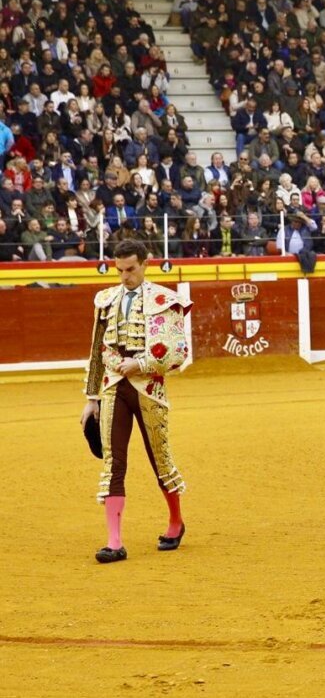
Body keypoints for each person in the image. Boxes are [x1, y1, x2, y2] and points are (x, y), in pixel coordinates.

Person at [81, 240, 192, 564]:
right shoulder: (107, 300)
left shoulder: (165, 300)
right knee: (114, 461)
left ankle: (175, 522)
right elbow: (97, 350)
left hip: (148, 386)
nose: (124, 277)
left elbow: (176, 352)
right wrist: (91, 398)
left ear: (145, 264)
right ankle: (114, 542)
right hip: (114, 384)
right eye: (120, 271)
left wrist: (141, 364)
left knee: (160, 457)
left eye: (130, 270)